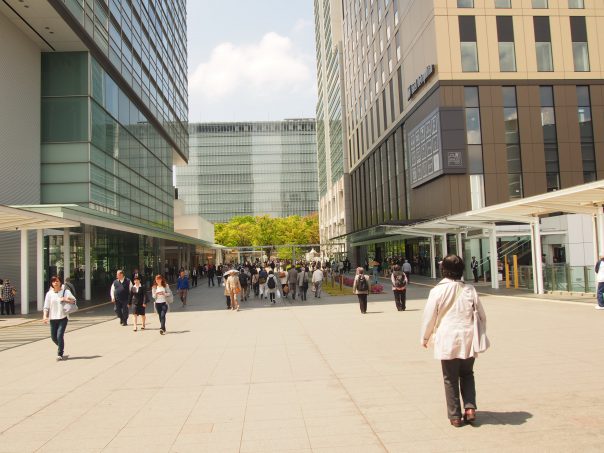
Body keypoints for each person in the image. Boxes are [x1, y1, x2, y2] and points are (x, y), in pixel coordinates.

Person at [420, 254, 487, 427]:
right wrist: (481, 334)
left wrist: (425, 337)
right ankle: (470, 409)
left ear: (444, 270)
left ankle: (455, 416)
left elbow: (429, 317)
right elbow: (481, 315)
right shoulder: (470, 289)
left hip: (447, 338)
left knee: (450, 377)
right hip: (468, 337)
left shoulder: (437, 291)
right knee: (467, 374)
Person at [42, 276, 76, 360]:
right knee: (53, 337)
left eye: (57, 281)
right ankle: (61, 346)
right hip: (53, 318)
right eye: (53, 282)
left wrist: (65, 299)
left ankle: (60, 353)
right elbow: (46, 306)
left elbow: (74, 301)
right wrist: (45, 316)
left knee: (59, 335)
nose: (55, 283)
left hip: (63, 317)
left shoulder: (66, 292)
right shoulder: (49, 294)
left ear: (60, 282)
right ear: (51, 283)